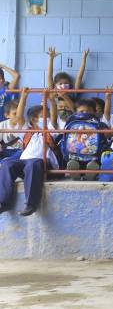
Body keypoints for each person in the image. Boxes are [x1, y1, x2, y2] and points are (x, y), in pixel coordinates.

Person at [0, 88, 61, 216]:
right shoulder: (27, 131)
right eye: (44, 116)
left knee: (33, 163)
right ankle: (3, 202)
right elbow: (19, 117)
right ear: (34, 120)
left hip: (41, 164)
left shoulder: (50, 130)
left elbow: (54, 118)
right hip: (24, 164)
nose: (48, 119)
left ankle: (31, 204)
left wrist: (51, 99)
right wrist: (24, 96)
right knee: (7, 164)